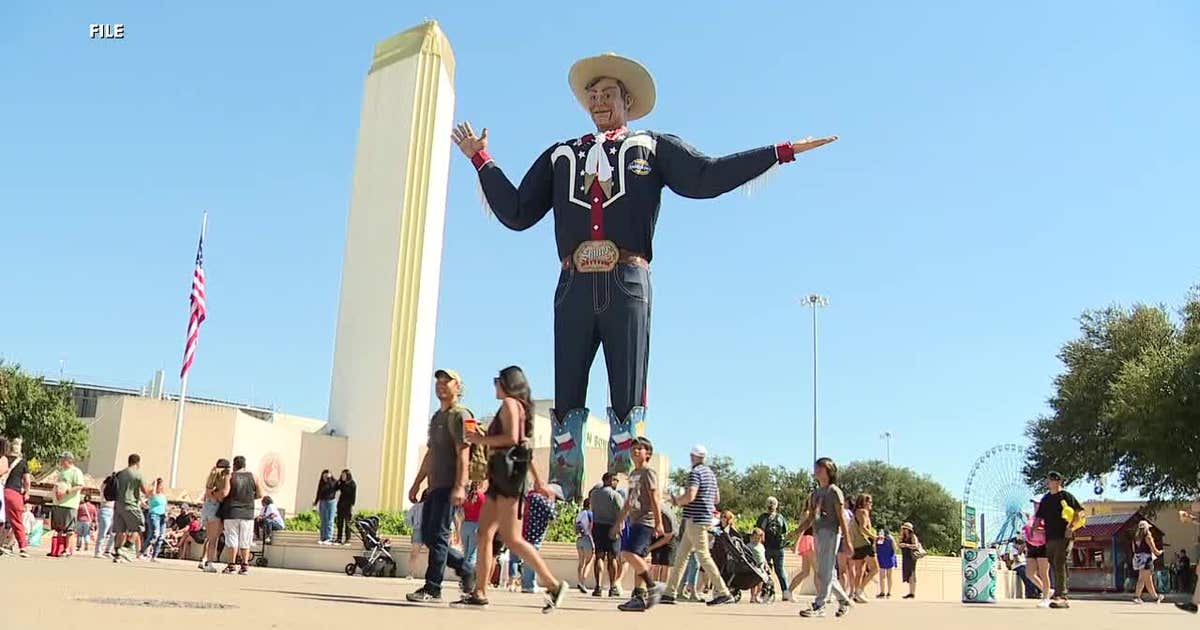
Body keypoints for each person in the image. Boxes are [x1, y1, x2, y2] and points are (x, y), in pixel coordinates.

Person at [453, 54, 838, 493]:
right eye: (592, 95)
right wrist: (481, 158)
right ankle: (563, 489)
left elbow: (705, 176)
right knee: (568, 389)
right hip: (573, 280)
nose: (599, 102)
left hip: (627, 278)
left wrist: (780, 152)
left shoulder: (650, 147)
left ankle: (622, 487)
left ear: (628, 101)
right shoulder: (562, 154)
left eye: (608, 94)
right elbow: (519, 211)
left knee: (627, 389)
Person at [457, 365, 568, 611]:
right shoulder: (517, 407)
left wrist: (480, 439)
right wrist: (538, 481)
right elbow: (524, 447)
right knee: (484, 534)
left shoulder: (509, 403)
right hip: (503, 478)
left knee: (512, 538)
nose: (495, 385)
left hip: (508, 479)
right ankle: (480, 592)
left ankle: (553, 584)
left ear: (507, 383)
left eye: (497, 380)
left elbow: (512, 439)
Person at [405, 368, 478, 603]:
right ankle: (466, 569)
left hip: (450, 485)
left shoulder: (461, 415)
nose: (441, 384)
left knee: (439, 535)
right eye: (438, 381)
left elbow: (464, 453)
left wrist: (460, 486)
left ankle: (433, 587)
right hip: (434, 486)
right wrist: (417, 483)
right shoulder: (437, 417)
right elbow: (431, 453)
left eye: (447, 381)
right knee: (428, 535)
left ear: (458, 387)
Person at [661, 444, 733, 606]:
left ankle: (723, 592)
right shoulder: (711, 474)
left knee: (703, 556)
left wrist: (676, 500)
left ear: (692, 456)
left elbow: (690, 496)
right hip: (702, 519)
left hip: (695, 519)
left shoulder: (695, 473)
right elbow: (717, 499)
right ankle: (669, 592)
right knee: (681, 556)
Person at [794, 457, 854, 618]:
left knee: (824, 571)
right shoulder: (815, 493)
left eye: (820, 469)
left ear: (829, 471)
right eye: (816, 468)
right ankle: (844, 600)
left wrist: (847, 540)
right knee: (825, 571)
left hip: (831, 533)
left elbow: (841, 517)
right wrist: (798, 531)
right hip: (818, 533)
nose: (816, 471)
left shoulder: (834, 491)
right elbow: (811, 517)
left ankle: (819, 604)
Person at [612, 437, 664, 612]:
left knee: (628, 553)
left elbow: (655, 498)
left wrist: (659, 523)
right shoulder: (634, 473)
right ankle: (639, 598)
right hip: (634, 520)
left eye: (640, 448)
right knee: (638, 559)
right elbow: (629, 500)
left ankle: (652, 586)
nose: (635, 451)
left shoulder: (648, 472)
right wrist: (619, 522)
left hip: (645, 520)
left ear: (647, 453)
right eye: (633, 448)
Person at [1034, 471, 1084, 609]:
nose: (1049, 482)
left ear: (1058, 482)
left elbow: (1079, 511)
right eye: (1048, 480)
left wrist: (1071, 527)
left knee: (1059, 562)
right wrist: (1034, 527)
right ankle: (1059, 592)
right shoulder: (1046, 499)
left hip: (1064, 535)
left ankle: (1061, 596)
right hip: (1050, 536)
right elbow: (1039, 516)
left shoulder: (1066, 496)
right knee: (1054, 563)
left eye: (1051, 480)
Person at [219, 455, 263, 574]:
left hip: (232, 512)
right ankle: (244, 565)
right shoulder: (254, 476)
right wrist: (248, 498)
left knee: (232, 539)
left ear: (234, 465)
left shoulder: (230, 476)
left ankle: (231, 565)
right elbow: (260, 494)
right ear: (244, 465)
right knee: (245, 540)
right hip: (247, 513)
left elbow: (225, 493)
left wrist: (218, 495)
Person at [521, 483, 564, 593]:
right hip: (534, 534)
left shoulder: (531, 497)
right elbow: (553, 515)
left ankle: (528, 583)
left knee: (529, 558)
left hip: (529, 532)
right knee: (532, 558)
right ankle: (528, 585)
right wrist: (551, 501)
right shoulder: (540, 499)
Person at [588, 472, 625, 597]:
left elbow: (592, 508)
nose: (616, 482)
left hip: (598, 526)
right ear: (608, 480)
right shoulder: (615, 495)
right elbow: (622, 512)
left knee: (599, 556)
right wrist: (619, 528)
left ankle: (598, 587)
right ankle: (612, 586)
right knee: (612, 557)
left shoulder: (594, 494)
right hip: (612, 527)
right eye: (615, 480)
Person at [112, 453, 153, 563]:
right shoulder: (137, 474)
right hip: (131, 504)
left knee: (120, 531)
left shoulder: (120, 474)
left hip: (118, 505)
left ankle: (117, 555)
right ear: (138, 462)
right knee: (139, 527)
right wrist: (152, 486)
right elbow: (146, 491)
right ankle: (126, 547)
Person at [49, 451, 85, 556]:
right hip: (58, 503)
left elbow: (80, 485)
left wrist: (67, 491)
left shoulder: (76, 471)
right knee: (58, 528)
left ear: (68, 460)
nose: (60, 461)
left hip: (70, 504)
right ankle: (57, 549)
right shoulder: (61, 472)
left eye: (62, 459)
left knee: (69, 529)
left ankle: (67, 549)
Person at [755, 496, 791, 601]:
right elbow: (785, 531)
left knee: (768, 570)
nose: (771, 506)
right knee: (776, 570)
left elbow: (758, 531)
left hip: (770, 547)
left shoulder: (764, 518)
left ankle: (769, 592)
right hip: (774, 547)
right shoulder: (779, 517)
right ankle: (782, 592)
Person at [198, 458, 231, 572]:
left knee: (209, 537)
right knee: (213, 539)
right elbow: (222, 496)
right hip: (215, 509)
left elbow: (208, 494)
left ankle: (204, 559)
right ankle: (209, 563)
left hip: (207, 509)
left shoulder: (211, 479)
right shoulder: (223, 479)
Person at [2, 438, 31, 558]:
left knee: (2, 520)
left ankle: (2, 543)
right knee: (17, 521)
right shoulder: (22, 462)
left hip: (2, 491)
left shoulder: (3, 459)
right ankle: (23, 547)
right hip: (14, 493)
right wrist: (27, 492)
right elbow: (27, 480)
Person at [848, 494, 878, 604]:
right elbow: (863, 528)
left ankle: (856, 594)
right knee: (875, 569)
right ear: (864, 502)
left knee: (859, 571)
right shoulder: (863, 512)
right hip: (864, 544)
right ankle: (860, 590)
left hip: (856, 545)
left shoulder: (854, 514)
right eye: (869, 502)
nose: (871, 504)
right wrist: (874, 537)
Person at [1024, 497, 1051, 606]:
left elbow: (1050, 530)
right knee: (1029, 573)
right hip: (1031, 546)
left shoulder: (1047, 517)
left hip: (1043, 546)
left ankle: (1045, 597)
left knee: (1043, 573)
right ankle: (1047, 590)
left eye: (1037, 504)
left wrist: (1037, 529)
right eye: (1034, 504)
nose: (1035, 506)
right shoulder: (1032, 517)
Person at [1132, 520, 1164, 604]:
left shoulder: (1136, 538)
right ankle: (1153, 598)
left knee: (1143, 578)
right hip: (1146, 559)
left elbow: (1134, 550)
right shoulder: (1148, 536)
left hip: (1138, 559)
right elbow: (1154, 550)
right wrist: (1160, 552)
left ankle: (1142, 597)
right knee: (1146, 579)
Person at [648, 501, 678, 583]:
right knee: (655, 563)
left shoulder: (666, 516)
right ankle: (655, 585)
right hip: (657, 535)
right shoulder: (649, 511)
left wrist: (651, 547)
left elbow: (668, 537)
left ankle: (663, 586)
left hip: (670, 537)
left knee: (666, 564)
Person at [461, 480, 486, 568]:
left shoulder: (467, 496)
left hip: (465, 524)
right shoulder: (482, 497)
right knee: (472, 553)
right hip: (476, 524)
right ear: (481, 485)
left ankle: (464, 571)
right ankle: (468, 573)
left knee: (466, 552)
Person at [142, 478, 168, 560]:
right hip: (154, 515)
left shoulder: (163, 496)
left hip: (162, 516)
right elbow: (151, 493)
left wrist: (166, 513)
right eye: (159, 485)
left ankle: (154, 556)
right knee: (154, 535)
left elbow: (165, 506)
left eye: (161, 485)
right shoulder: (152, 494)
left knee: (161, 536)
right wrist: (155, 483)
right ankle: (142, 551)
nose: (160, 487)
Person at [573, 497, 595, 593]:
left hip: (579, 539)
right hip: (587, 538)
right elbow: (591, 527)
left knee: (581, 561)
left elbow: (574, 526)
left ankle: (579, 580)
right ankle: (583, 582)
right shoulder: (590, 514)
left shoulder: (579, 514)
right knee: (589, 561)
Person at [404, 490, 426, 579]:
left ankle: (412, 573)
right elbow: (408, 519)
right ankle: (411, 573)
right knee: (414, 553)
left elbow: (408, 520)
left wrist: (414, 525)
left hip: (423, 529)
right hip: (420, 530)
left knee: (414, 553)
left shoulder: (416, 506)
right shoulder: (417, 507)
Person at [312, 469, 338, 545]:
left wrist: (329, 479)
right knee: (323, 520)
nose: (325, 478)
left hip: (331, 502)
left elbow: (332, 488)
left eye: (326, 476)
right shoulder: (321, 483)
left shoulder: (333, 482)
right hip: (323, 501)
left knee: (330, 520)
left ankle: (329, 538)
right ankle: (322, 538)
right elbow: (318, 492)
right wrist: (316, 502)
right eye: (324, 476)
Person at [897, 522, 921, 600]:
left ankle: (912, 593)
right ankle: (910, 592)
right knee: (908, 573)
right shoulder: (903, 537)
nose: (904, 530)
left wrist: (907, 545)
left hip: (911, 557)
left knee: (912, 574)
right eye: (903, 529)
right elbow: (898, 544)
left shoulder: (913, 536)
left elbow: (916, 546)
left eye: (905, 529)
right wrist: (901, 539)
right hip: (905, 557)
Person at [334, 469, 356, 545]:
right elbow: (335, 488)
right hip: (340, 504)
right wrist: (338, 481)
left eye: (344, 475)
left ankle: (347, 539)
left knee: (347, 523)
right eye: (342, 475)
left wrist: (352, 505)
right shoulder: (341, 483)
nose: (342, 476)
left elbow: (353, 496)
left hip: (348, 505)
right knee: (339, 522)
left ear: (348, 475)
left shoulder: (352, 484)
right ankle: (339, 538)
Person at [875, 528, 897, 598]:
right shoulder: (880, 539)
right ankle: (885, 592)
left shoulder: (888, 538)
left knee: (886, 576)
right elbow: (875, 549)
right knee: (885, 576)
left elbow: (895, 548)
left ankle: (887, 592)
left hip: (886, 557)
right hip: (884, 557)